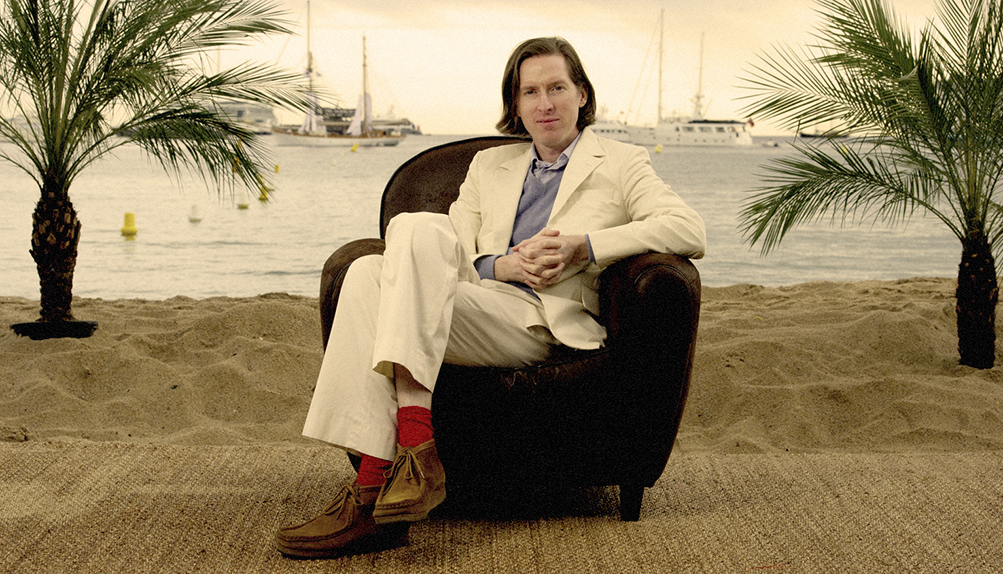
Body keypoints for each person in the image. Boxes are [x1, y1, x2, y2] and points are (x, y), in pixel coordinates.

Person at [275, 36, 706, 559]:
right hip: (473, 302)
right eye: (530, 92)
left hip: (539, 319)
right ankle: (403, 463)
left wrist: (584, 246)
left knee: (382, 269)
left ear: (582, 94)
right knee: (381, 259)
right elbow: (450, 248)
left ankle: (378, 481)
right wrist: (500, 265)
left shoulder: (621, 161)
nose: (545, 103)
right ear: (515, 104)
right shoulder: (488, 165)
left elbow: (688, 228)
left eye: (557, 88)